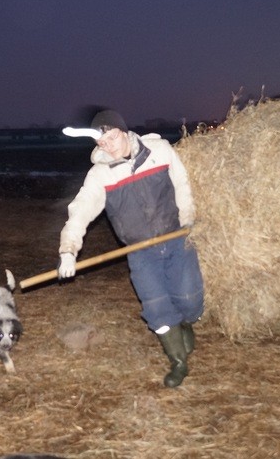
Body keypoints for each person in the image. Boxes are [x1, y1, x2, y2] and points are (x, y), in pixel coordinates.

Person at [57, 109, 204, 388]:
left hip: (176, 239)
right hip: (140, 252)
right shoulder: (100, 175)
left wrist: (188, 221)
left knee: (189, 299)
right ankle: (178, 362)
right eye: (101, 143)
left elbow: (182, 184)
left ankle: (186, 322)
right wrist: (68, 250)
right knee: (156, 308)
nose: (107, 147)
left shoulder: (159, 151)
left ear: (124, 132)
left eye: (111, 138)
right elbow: (80, 211)